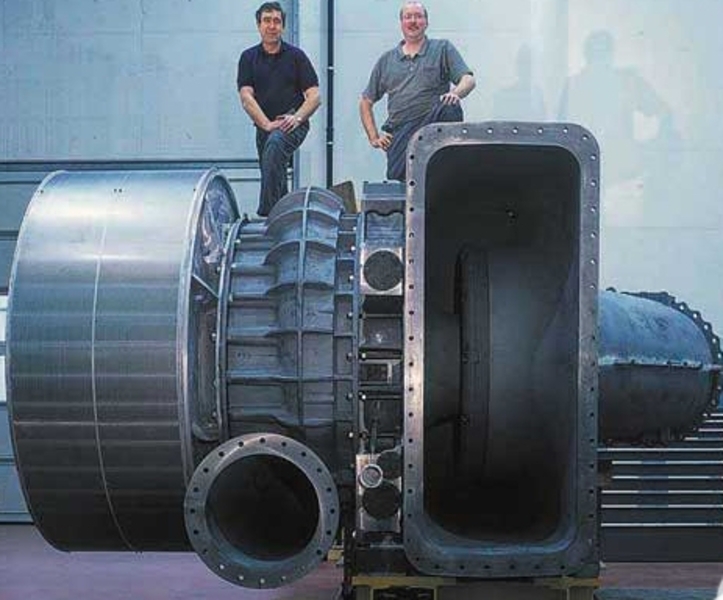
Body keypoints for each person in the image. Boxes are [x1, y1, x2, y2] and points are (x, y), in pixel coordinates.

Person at [360, 1, 476, 182]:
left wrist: (455, 93)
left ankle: (451, 169)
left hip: (433, 123)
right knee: (398, 180)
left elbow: (468, 79)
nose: (413, 21)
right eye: (408, 17)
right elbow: (365, 102)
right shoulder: (387, 60)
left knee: (450, 107)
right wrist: (374, 137)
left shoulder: (442, 48)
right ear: (401, 23)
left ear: (426, 22)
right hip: (401, 131)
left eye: (418, 16)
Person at [237, 2, 321, 216]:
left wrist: (297, 118)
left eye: (277, 21)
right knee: (273, 170)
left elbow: (315, 97)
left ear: (283, 26)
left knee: (275, 144)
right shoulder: (248, 58)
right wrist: (266, 124)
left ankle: (267, 213)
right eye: (267, 21)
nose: (272, 26)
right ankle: (284, 216)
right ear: (259, 25)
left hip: (293, 122)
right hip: (264, 126)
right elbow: (246, 97)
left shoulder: (296, 57)